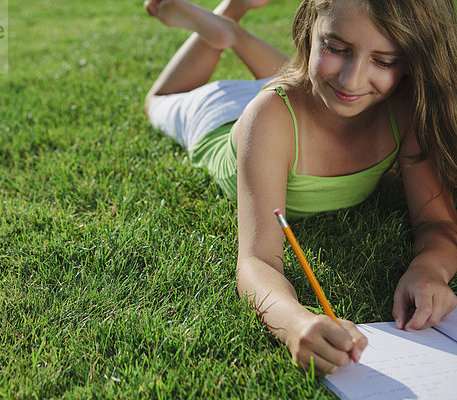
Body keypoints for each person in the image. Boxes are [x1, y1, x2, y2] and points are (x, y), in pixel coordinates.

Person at [143, 0, 457, 375]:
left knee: (309, 82)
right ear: (309, 31)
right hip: (218, 118)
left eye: (385, 61)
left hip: (302, 99)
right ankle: (228, 20)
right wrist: (295, 323)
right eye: (336, 48)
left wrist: (430, 269)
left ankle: (232, 33)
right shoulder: (269, 118)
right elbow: (257, 260)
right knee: (156, 102)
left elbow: (436, 224)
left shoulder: (406, 109)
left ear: (411, 62)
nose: (353, 79)